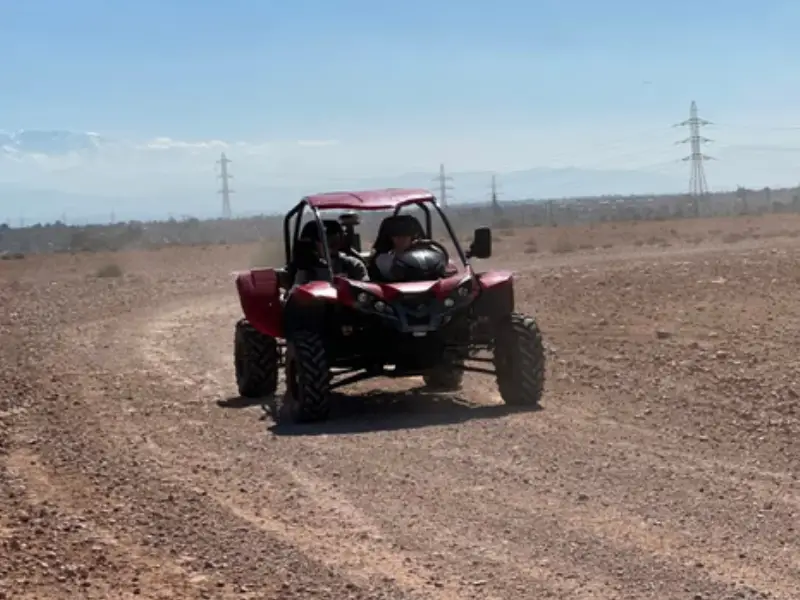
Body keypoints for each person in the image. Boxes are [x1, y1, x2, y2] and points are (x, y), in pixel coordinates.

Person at [291, 219, 368, 285]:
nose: (330, 239)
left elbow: (366, 290)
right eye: (324, 238)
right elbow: (297, 294)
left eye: (335, 239)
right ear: (313, 244)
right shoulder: (306, 268)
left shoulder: (352, 264)